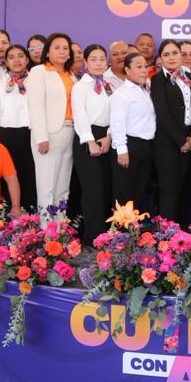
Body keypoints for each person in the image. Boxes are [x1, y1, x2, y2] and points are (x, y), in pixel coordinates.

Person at [28, 33, 76, 212]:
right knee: (47, 185)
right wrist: (41, 137)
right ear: (47, 52)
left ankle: (60, 224)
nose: (62, 51)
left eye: (65, 48)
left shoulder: (71, 75)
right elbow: (35, 106)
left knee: (63, 184)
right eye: (57, 47)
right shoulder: (39, 71)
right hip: (49, 134)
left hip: (70, 132)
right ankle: (46, 225)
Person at [150, 38, 191, 221]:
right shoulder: (157, 80)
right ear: (161, 58)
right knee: (168, 189)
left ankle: (180, 231)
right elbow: (162, 114)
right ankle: (166, 233)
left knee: (181, 188)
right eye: (166, 54)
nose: (171, 57)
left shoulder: (190, 78)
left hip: (187, 141)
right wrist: (181, 140)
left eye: (175, 53)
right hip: (166, 143)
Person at [71, 44, 114, 241]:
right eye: (93, 59)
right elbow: (80, 116)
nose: (98, 63)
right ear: (85, 62)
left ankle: (107, 235)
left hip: (107, 138)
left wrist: (109, 136)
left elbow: (116, 113)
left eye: (102, 59)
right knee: (93, 189)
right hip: (87, 138)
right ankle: (93, 237)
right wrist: (90, 142)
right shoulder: (80, 87)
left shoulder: (108, 85)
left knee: (106, 188)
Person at [0, 44, 37, 211]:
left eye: (20, 56)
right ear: (6, 62)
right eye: (11, 57)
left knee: (30, 176)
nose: (16, 60)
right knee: (9, 176)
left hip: (31, 135)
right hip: (7, 137)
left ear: (27, 59)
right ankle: (9, 215)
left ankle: (30, 215)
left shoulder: (36, 82)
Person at [109, 52, 157, 214]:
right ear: (128, 70)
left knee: (138, 192)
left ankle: (132, 229)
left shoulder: (145, 89)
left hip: (146, 146)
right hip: (129, 146)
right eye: (138, 67)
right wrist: (122, 150)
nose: (144, 70)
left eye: (145, 66)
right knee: (124, 194)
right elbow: (117, 123)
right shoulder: (122, 93)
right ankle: (120, 229)